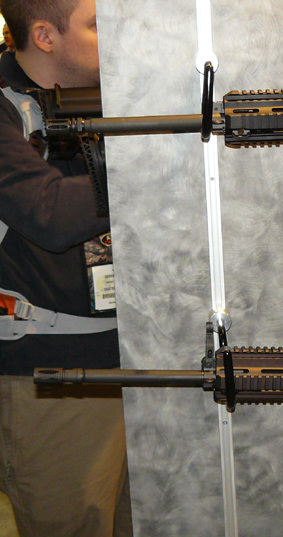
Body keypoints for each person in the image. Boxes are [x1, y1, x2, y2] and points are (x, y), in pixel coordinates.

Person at [0, 1, 132, 535]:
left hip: (137, 362)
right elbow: (49, 213)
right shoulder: (7, 110)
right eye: (96, 25)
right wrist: (153, 165)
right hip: (51, 379)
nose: (114, 36)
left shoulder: (105, 97)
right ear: (45, 36)